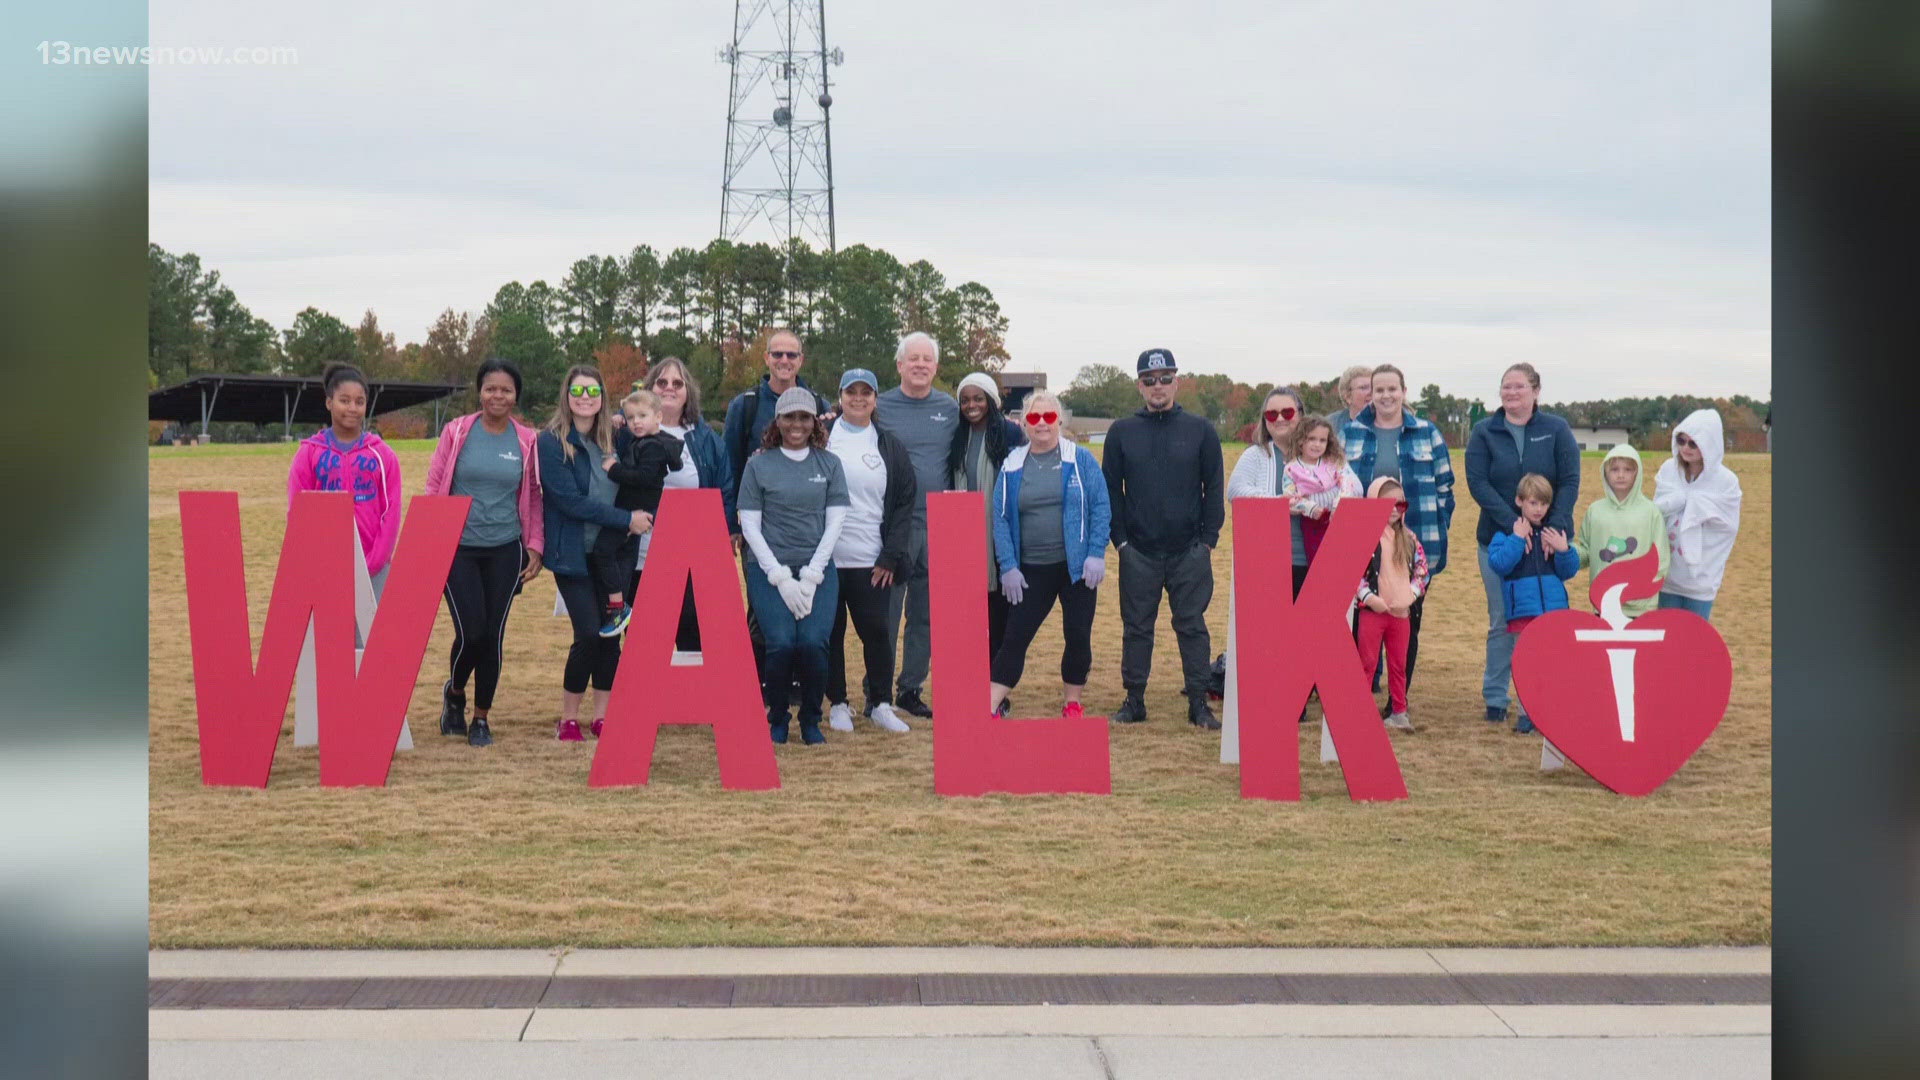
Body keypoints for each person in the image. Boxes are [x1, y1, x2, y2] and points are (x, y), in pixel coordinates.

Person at [1102, 348, 1225, 730]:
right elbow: (1111, 492)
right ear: (1140, 385)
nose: (1158, 386)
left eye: (1165, 378)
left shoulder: (1200, 429)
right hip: (1138, 551)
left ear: (1177, 381)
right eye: (1150, 380)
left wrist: (1207, 540)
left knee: (1191, 626)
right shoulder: (1122, 431)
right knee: (1136, 626)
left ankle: (1199, 705)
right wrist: (1120, 541)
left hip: (1189, 550)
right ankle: (1134, 699)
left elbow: (1214, 487)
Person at [425, 358, 544, 747]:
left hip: (505, 550)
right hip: (458, 548)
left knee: (493, 636)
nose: (498, 395)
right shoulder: (457, 432)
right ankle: (454, 693)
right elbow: (434, 484)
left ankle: (480, 719)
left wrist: (535, 546)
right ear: (480, 392)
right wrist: (432, 539)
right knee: (471, 631)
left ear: (515, 396)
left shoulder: (526, 440)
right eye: (491, 388)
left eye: (506, 390)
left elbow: (534, 497)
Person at [536, 366, 655, 741]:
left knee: (610, 637)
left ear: (603, 396)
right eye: (577, 389)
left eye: (593, 390)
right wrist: (625, 519)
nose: (585, 397)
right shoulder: (551, 442)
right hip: (572, 554)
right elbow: (570, 501)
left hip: (614, 554)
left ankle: (602, 715)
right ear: (566, 394)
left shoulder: (617, 437)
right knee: (588, 633)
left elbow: (652, 446)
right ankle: (568, 717)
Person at [1462, 362, 1579, 725]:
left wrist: (1550, 529)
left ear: (1536, 391)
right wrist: (1515, 524)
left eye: (1519, 387)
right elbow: (1478, 483)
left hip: (1547, 543)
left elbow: (1571, 480)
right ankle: (1496, 698)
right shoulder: (1484, 432)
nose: (1512, 393)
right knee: (1502, 622)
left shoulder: (1556, 429)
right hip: (1500, 540)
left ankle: (1538, 698)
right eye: (1506, 387)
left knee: (1541, 624)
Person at [986, 392, 1112, 719]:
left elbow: (1100, 506)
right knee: (1014, 638)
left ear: (1060, 421)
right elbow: (999, 518)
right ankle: (989, 704)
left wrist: (1096, 552)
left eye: (1049, 417)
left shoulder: (1080, 459)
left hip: (1076, 569)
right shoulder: (1012, 463)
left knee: (1078, 636)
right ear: (1024, 423)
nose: (1041, 424)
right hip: (1031, 570)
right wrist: (1008, 566)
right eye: (1033, 418)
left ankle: (1072, 702)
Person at [737, 387, 849, 744]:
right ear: (778, 421)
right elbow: (750, 526)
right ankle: (778, 715)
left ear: (814, 421)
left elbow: (835, 523)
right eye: (790, 417)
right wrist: (779, 577)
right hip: (769, 569)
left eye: (804, 417)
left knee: (815, 643)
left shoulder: (829, 464)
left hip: (817, 568)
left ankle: (811, 718)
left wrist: (813, 575)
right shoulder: (759, 464)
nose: (797, 424)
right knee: (782, 643)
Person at [1339, 363, 1454, 692]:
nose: (1386, 395)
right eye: (1379, 390)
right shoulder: (1350, 433)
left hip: (1410, 546)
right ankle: (1363, 690)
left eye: (1393, 389)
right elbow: (1341, 484)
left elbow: (1445, 487)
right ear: (1371, 395)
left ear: (1404, 392)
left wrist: (1433, 525)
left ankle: (1398, 700)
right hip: (1366, 549)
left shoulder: (1427, 433)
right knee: (1366, 623)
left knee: (1406, 625)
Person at [822, 369, 916, 734]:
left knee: (877, 632)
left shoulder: (889, 445)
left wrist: (889, 556)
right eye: (851, 392)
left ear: (876, 399)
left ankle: (879, 703)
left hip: (872, 560)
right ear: (840, 395)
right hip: (826, 559)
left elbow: (904, 504)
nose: (858, 398)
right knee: (830, 634)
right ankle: (839, 703)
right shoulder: (823, 437)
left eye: (866, 392)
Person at [873, 330, 960, 720]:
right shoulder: (880, 405)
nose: (921, 365)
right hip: (895, 524)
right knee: (887, 611)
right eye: (914, 358)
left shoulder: (950, 407)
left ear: (936, 367)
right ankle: (877, 690)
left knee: (925, 613)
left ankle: (910, 688)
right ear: (900, 365)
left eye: (927, 359)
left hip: (940, 523)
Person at [626, 356, 735, 653]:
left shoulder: (706, 439)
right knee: (646, 642)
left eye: (677, 383)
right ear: (650, 389)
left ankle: (692, 698)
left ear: (688, 392)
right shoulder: (628, 433)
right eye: (662, 382)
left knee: (692, 635)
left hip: (692, 558)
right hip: (642, 554)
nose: (669, 389)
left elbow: (724, 491)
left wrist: (717, 544)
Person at [286, 363, 403, 611]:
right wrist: (313, 560)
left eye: (359, 402)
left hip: (374, 568)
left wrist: (373, 563)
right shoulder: (309, 453)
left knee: (370, 644)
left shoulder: (382, 455)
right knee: (328, 643)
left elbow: (391, 513)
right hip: (323, 567)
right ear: (329, 402)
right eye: (344, 400)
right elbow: (297, 513)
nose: (352, 408)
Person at [946, 369, 1027, 709]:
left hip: (1001, 539)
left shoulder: (1011, 434)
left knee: (999, 621)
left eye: (978, 399)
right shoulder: (957, 435)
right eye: (965, 400)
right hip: (965, 540)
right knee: (969, 622)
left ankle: (997, 693)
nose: (971, 405)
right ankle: (970, 686)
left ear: (992, 401)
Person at [1486, 473, 1580, 733]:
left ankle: (1550, 714)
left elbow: (1568, 571)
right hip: (1523, 615)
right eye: (1533, 503)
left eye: (1543, 504)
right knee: (1527, 667)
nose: (1538, 509)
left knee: (1552, 665)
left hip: (1554, 614)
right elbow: (1500, 564)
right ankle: (1527, 714)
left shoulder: (1553, 533)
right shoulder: (1505, 534)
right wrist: (1517, 538)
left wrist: (1564, 549)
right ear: (1519, 501)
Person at [592, 389, 682, 637]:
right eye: (631, 418)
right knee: (623, 558)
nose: (636, 422)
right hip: (633, 510)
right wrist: (619, 420)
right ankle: (620, 605)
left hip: (634, 511)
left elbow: (642, 477)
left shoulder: (654, 447)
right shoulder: (644, 440)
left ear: (658, 417)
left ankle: (618, 606)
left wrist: (614, 469)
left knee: (603, 550)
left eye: (642, 416)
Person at [722, 328, 832, 505]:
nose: (784, 360)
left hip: (806, 516)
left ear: (801, 360)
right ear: (767, 358)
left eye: (791, 355)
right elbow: (729, 467)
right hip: (756, 514)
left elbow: (827, 466)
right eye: (777, 354)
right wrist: (733, 524)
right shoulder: (744, 405)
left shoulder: (819, 406)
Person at [1652, 408, 1743, 620]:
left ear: (1709, 444)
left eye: (1694, 443)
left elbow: (1728, 526)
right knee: (1666, 637)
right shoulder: (1668, 470)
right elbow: (1656, 512)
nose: (1686, 448)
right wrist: (1679, 501)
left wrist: (1692, 505)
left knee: (1695, 642)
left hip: (1701, 579)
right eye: (1682, 440)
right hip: (1667, 575)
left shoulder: (1726, 481)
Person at [1354, 477, 1428, 733]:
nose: (1395, 509)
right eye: (1388, 503)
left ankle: (1399, 711)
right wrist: (1368, 598)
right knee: (1367, 662)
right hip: (1373, 614)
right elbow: (1355, 575)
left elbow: (1422, 570)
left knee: (1398, 665)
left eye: (1401, 504)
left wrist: (1412, 593)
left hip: (1401, 615)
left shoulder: (1409, 539)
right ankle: (1360, 712)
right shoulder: (1364, 538)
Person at [1573, 443, 1670, 618]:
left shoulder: (1650, 512)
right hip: (1604, 604)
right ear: (1605, 472)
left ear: (1637, 473)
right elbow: (1587, 553)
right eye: (1614, 469)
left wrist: (1638, 594)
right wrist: (1565, 550)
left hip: (1641, 608)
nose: (1620, 475)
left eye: (1628, 469)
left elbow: (1661, 559)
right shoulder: (1595, 511)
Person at [1282, 416, 1363, 566]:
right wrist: (1311, 509)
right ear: (1300, 440)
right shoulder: (1291, 468)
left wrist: (1339, 505)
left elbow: (1347, 482)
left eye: (1322, 440)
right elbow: (1290, 498)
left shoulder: (1333, 463)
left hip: (1337, 517)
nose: (1317, 444)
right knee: (1318, 562)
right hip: (1312, 522)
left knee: (1341, 560)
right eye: (1311, 439)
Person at [1324, 365, 1374, 430]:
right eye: (1363, 388)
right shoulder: (1330, 425)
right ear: (1348, 397)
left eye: (1373, 387)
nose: (1371, 392)